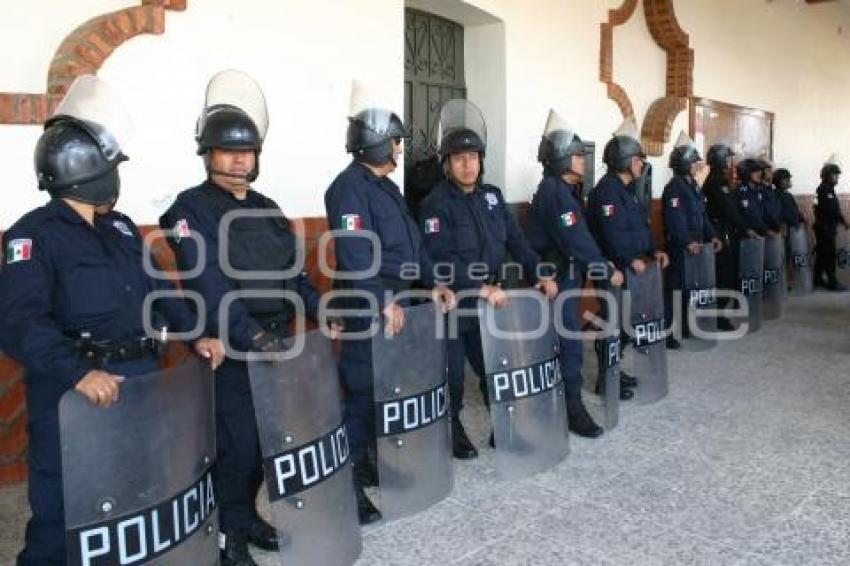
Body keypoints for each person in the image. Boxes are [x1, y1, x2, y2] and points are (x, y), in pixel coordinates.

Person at [0, 75, 224, 566]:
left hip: (137, 381)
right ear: (88, 169)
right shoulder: (32, 236)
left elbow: (160, 291)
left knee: (131, 494)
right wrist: (78, 372)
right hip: (75, 390)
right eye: (111, 164)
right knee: (62, 511)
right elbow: (20, 323)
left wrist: (197, 335)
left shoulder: (120, 228)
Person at [159, 70, 320, 565]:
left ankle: (246, 516)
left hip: (278, 343)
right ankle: (228, 535)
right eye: (228, 151)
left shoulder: (268, 208)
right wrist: (250, 334)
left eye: (246, 151)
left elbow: (294, 274)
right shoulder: (189, 210)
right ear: (208, 154)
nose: (238, 160)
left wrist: (322, 312)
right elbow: (208, 281)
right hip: (232, 348)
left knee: (268, 441)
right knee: (238, 444)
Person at [324, 81, 455, 524]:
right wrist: (383, 301)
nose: (399, 149)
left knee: (387, 389)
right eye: (396, 141)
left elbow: (414, 245)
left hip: (395, 300)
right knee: (362, 392)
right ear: (379, 142)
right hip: (368, 304)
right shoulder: (348, 188)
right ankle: (348, 483)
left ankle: (371, 461)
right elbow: (356, 251)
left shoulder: (388, 189)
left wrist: (433, 281)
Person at [419, 99, 557, 455]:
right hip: (457, 302)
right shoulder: (436, 204)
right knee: (451, 376)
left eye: (473, 158)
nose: (468, 165)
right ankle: (452, 432)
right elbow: (440, 259)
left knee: (497, 367)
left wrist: (539, 272)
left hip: (491, 301)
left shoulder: (492, 198)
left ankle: (504, 426)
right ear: (447, 164)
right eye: (459, 159)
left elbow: (517, 241)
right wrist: (481, 288)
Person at [526, 109, 623, 438]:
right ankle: (571, 409)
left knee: (561, 341)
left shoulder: (563, 191)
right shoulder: (556, 194)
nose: (583, 160)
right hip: (556, 281)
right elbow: (577, 240)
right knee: (565, 343)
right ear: (562, 158)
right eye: (578, 155)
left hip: (563, 277)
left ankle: (559, 403)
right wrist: (604, 268)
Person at [587, 118, 669, 394]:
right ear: (624, 161)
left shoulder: (626, 191)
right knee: (613, 322)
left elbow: (638, 228)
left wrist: (651, 250)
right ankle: (605, 380)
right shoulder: (608, 191)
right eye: (637, 160)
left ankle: (614, 370)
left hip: (627, 269)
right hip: (612, 270)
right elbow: (612, 233)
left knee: (623, 322)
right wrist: (626, 259)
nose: (640, 164)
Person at [661, 132, 720, 344]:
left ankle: (685, 326)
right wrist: (687, 242)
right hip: (680, 247)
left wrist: (712, 236)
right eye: (694, 162)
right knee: (675, 290)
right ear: (684, 163)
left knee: (690, 288)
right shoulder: (674, 188)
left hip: (696, 247)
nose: (698, 165)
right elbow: (675, 220)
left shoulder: (693, 186)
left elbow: (702, 216)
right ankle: (669, 332)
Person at [704, 144, 752, 330]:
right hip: (720, 233)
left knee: (728, 275)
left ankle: (723, 313)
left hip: (724, 231)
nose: (731, 163)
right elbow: (728, 210)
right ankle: (720, 317)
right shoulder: (716, 182)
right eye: (728, 159)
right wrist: (744, 228)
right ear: (720, 159)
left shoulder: (720, 180)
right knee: (724, 275)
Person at [813, 159, 848, 290]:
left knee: (822, 254)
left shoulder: (830, 190)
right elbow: (827, 210)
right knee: (829, 255)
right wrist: (839, 220)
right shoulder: (822, 190)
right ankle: (832, 282)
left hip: (829, 227)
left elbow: (835, 210)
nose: (837, 177)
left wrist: (843, 221)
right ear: (827, 175)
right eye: (835, 175)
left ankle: (817, 279)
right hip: (824, 228)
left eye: (837, 175)